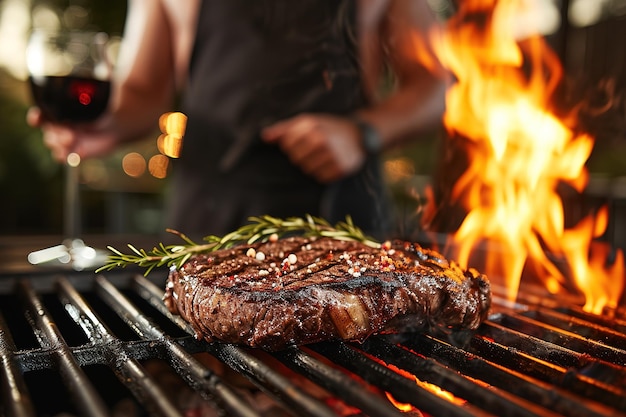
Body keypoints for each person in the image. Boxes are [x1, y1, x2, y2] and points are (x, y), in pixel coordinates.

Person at [27, 0, 447, 240]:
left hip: (345, 222)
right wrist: (109, 125)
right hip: (207, 222)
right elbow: (144, 90)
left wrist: (362, 133)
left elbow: (438, 85)